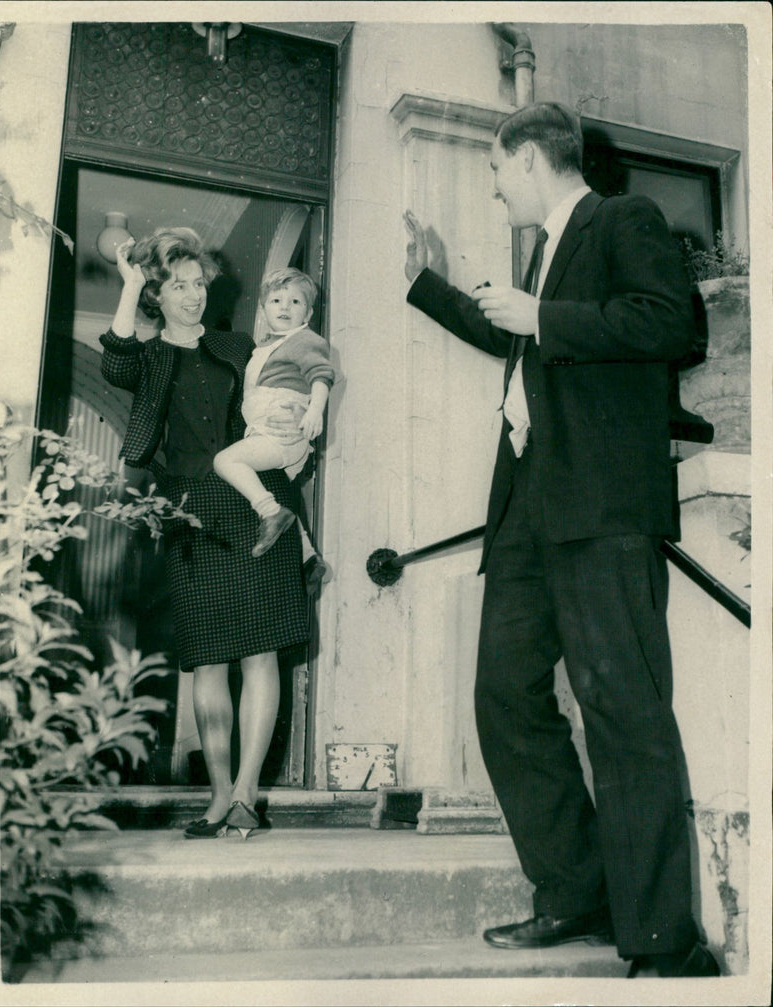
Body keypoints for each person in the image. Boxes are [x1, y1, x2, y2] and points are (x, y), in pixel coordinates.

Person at [403, 102, 719, 979]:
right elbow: (521, 339)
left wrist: (543, 316)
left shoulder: (624, 220)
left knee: (623, 714)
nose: (493, 184)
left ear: (530, 159)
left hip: (604, 505)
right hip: (528, 507)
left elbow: (672, 324)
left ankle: (665, 939)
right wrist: (431, 284)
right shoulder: (542, 250)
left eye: (497, 169)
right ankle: (578, 890)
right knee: (504, 697)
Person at [100, 227, 309, 840]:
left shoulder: (239, 346)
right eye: (180, 287)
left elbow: (285, 396)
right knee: (209, 660)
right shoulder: (149, 357)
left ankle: (247, 792)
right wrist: (129, 284)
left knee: (260, 648)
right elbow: (114, 358)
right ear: (158, 295)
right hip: (189, 513)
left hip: (253, 505)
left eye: (199, 285)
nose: (194, 296)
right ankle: (218, 795)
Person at [213, 267, 335, 560]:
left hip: (281, 432)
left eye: (295, 302)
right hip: (268, 431)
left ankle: (271, 514)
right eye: (277, 300)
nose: (285, 307)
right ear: (264, 308)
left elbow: (321, 375)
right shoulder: (266, 347)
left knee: (226, 461)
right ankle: (306, 556)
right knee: (274, 486)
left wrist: (314, 411)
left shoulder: (304, 341)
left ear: (307, 314)